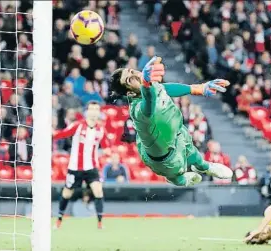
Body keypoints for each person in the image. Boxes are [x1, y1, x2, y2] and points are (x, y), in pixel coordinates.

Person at [109, 56, 233, 186]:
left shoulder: (152, 86)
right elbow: (149, 104)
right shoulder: (138, 110)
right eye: (130, 79)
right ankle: (178, 180)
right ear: (130, 94)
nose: (136, 75)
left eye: (132, 71)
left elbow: (164, 89)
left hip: (176, 133)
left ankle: (204, 167)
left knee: (192, 151)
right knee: (177, 174)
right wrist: (146, 85)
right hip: (165, 159)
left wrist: (198, 88)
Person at [52, 101, 105, 229]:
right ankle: (59, 220)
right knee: (67, 193)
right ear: (87, 111)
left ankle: (99, 223)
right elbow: (61, 134)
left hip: (92, 167)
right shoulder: (78, 126)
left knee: (98, 191)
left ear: (99, 112)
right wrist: (50, 133)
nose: (94, 112)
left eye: (96, 109)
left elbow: (103, 146)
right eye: (91, 109)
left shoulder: (100, 129)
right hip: (75, 168)